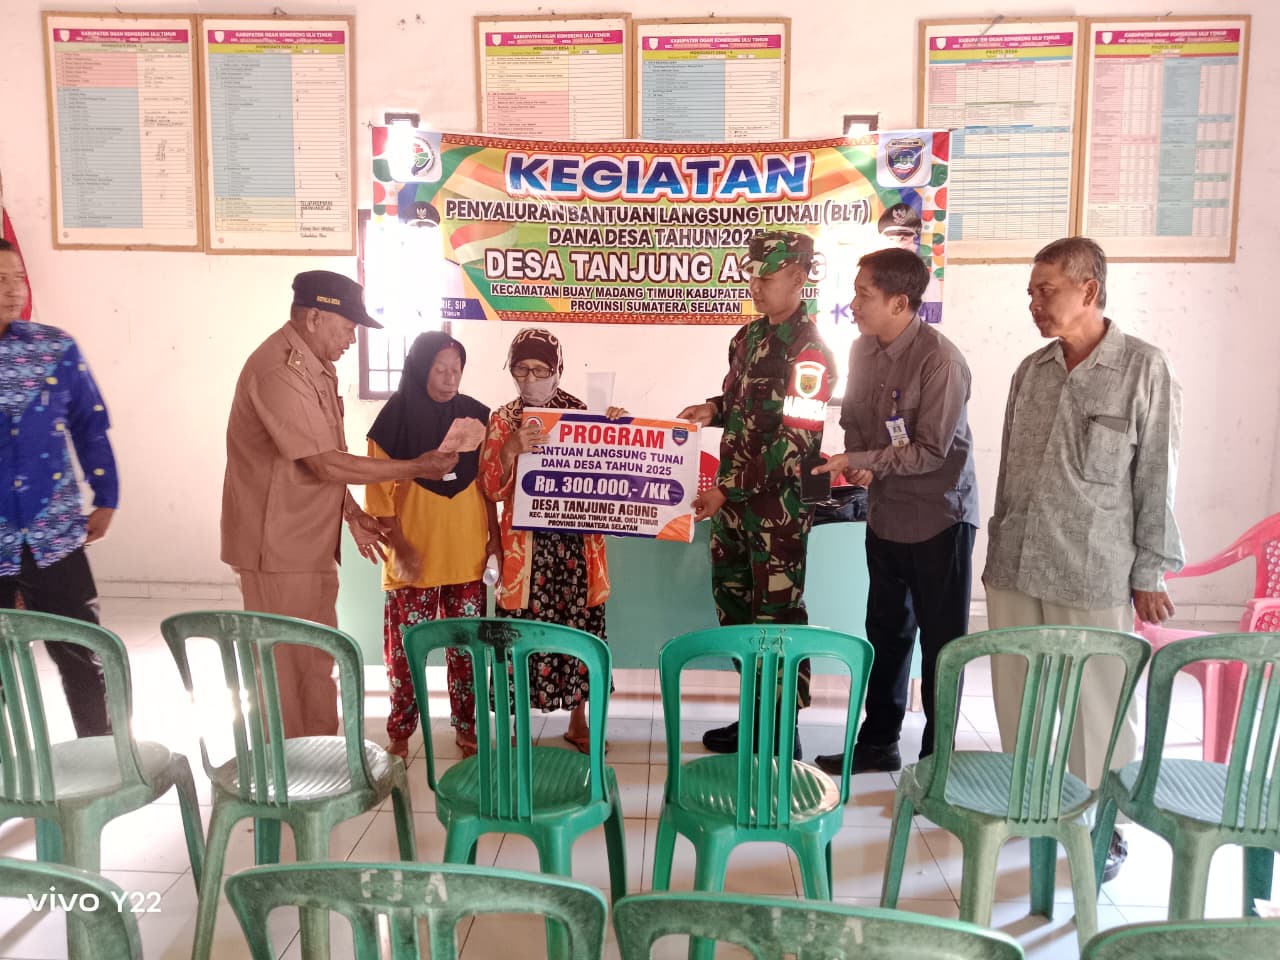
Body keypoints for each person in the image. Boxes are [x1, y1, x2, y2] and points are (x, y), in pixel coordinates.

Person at [984, 236, 1184, 882]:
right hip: (1017, 563)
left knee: (1098, 705)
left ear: (1089, 290)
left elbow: (1157, 476)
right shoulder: (1031, 371)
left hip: (1093, 565)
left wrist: (1149, 570)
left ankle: (1104, 828)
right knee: (1019, 693)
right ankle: (1031, 805)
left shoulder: (1142, 368)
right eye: (1031, 291)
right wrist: (998, 545)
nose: (1034, 303)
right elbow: (1009, 475)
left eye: (1047, 290)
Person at [221, 270, 459, 739]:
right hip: (277, 547)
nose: (352, 339)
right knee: (283, 667)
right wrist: (417, 466)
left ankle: (323, 757)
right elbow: (326, 463)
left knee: (316, 660)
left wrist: (350, 513)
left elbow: (318, 460)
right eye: (348, 327)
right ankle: (289, 768)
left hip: (308, 542)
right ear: (314, 317)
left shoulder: (315, 368)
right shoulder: (278, 372)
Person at [809, 247, 979, 776]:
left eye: (864, 295)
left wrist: (862, 461)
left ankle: (937, 763)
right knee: (885, 632)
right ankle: (879, 742)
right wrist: (860, 463)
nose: (854, 305)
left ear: (900, 303)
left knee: (942, 646)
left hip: (939, 518)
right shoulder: (861, 349)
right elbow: (854, 419)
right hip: (885, 514)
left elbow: (930, 452)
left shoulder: (941, 361)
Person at [677, 231, 836, 759]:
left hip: (777, 516)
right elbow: (742, 404)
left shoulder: (811, 353)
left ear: (798, 277)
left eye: (767, 277)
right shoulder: (746, 338)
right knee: (736, 613)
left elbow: (795, 444)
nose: (756, 286)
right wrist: (711, 409)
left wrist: (725, 489)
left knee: (777, 618)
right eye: (752, 275)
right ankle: (755, 717)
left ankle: (783, 729)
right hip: (733, 514)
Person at [478, 328, 622, 753]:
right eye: (521, 369)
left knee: (579, 628)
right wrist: (509, 450)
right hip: (527, 551)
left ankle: (579, 723)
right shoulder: (503, 420)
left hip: (575, 547)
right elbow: (489, 488)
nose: (530, 378)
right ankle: (519, 725)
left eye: (540, 369)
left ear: (557, 370)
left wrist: (618, 428)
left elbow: (608, 470)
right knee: (522, 633)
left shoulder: (580, 413)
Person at [0, 238, 115, 737]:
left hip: (54, 533)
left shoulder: (54, 348)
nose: (12, 290)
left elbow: (90, 425)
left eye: (17, 279)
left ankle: (102, 755)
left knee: (81, 650)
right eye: (0, 280)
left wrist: (106, 494)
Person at [365, 331, 498, 760]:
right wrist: (399, 546)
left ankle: (468, 729)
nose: (449, 378)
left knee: (467, 651)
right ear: (421, 368)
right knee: (406, 654)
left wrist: (494, 542)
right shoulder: (393, 420)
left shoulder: (477, 417)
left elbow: (489, 486)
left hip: (467, 557)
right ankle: (401, 731)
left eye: (456, 370)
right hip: (414, 559)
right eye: (440, 369)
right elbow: (378, 495)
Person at [878, 203, 943, 324]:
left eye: (904, 239)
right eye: (891, 239)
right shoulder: (869, 276)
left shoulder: (930, 281)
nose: (897, 245)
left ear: (915, 242)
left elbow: (934, 322)